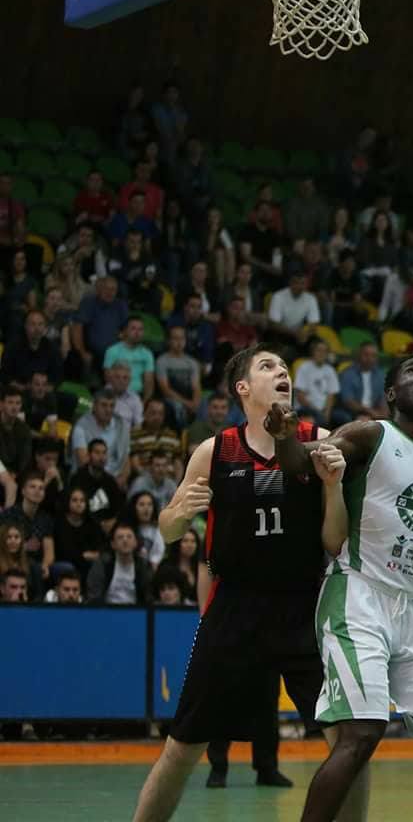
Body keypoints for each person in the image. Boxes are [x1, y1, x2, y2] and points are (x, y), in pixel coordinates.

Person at [131, 346, 338, 822]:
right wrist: (179, 514)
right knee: (182, 747)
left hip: (303, 607)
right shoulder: (215, 450)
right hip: (234, 608)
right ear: (243, 388)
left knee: (347, 743)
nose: (282, 371)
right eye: (268, 366)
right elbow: (168, 529)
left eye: (284, 367)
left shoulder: (318, 441)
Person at [271, 356, 413, 822]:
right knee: (361, 736)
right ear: (391, 393)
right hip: (359, 593)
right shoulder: (370, 434)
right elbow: (305, 463)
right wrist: (285, 438)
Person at [87, 523, 153, 605]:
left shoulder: (143, 566)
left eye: (129, 537)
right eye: (120, 537)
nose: (125, 540)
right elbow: (94, 595)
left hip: (136, 611)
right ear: (113, 544)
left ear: (135, 542)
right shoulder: (102, 564)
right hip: (107, 610)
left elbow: (148, 596)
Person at [69, 438, 127, 520]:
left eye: (104, 453)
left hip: (105, 524)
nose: (101, 457)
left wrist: (111, 521)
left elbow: (117, 508)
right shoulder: (77, 479)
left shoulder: (110, 481)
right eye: (97, 453)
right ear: (89, 455)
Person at [335, 342, 388, 423]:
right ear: (359, 355)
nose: (370, 359)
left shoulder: (380, 375)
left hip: (372, 412)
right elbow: (348, 401)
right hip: (350, 412)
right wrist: (370, 412)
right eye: (366, 355)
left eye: (373, 356)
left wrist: (383, 414)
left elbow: (383, 399)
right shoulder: (347, 374)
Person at [293, 337, 340, 425]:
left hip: (324, 409)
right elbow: (300, 396)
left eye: (325, 351)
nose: (321, 354)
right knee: (319, 420)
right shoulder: (304, 368)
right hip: (305, 408)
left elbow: (331, 395)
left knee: (343, 418)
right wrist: (317, 411)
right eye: (319, 350)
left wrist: (327, 412)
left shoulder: (330, 370)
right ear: (312, 352)